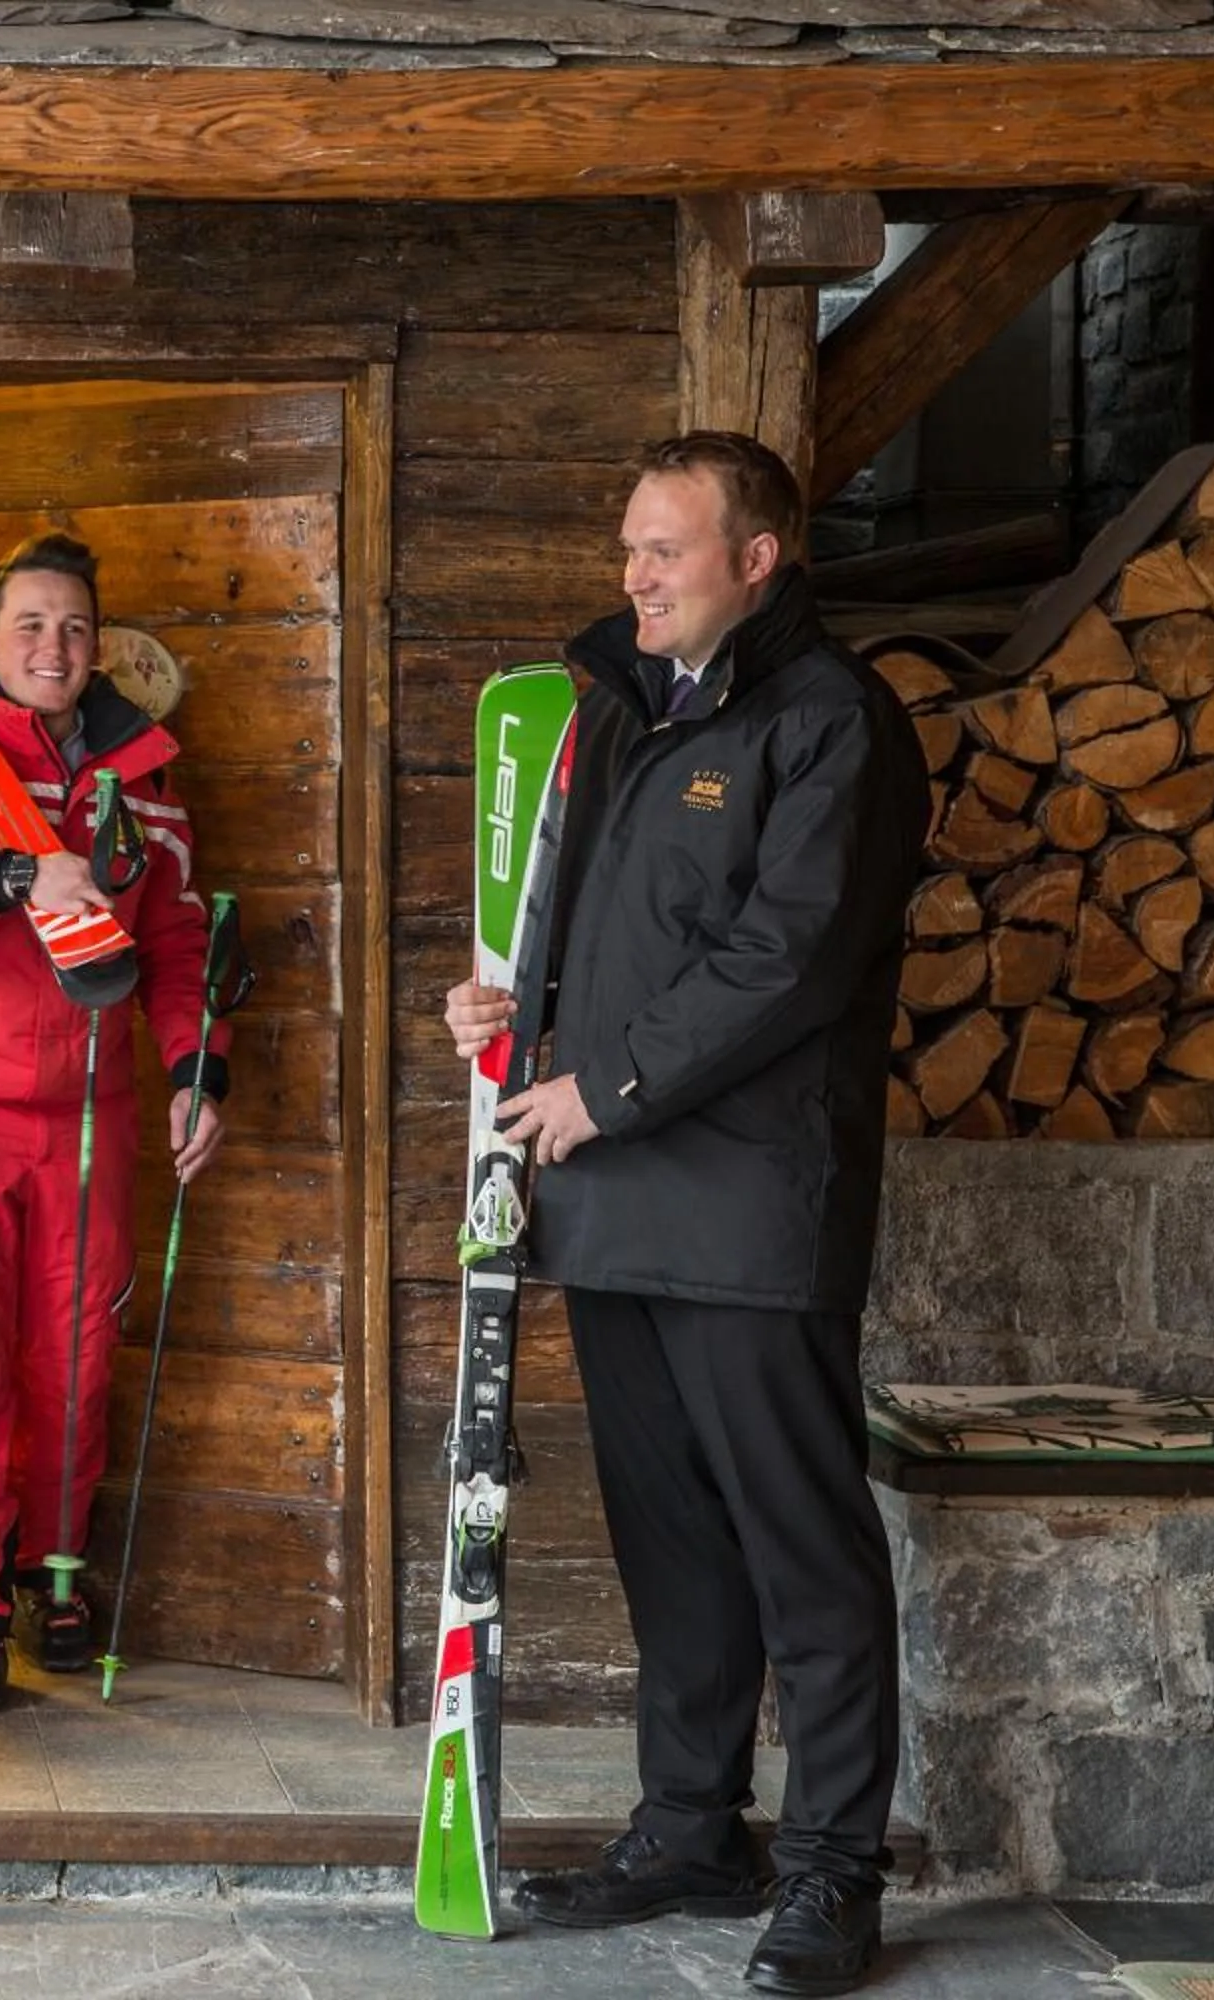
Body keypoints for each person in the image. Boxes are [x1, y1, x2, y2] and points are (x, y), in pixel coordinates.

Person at [443, 433, 928, 1997]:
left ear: (758, 557)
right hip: (614, 1201)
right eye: (629, 546)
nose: (633, 574)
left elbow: (787, 962)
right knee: (674, 1546)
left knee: (804, 1551)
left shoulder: (831, 724)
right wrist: (513, 1012)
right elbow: (617, 940)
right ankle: (692, 1830)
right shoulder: (626, 716)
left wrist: (608, 1088)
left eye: (666, 548)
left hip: (748, 1206)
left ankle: (836, 1870)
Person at [0, 532, 231, 1714]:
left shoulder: (145, 781)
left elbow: (175, 946)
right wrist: (15, 876)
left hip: (89, 1111)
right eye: (29, 626)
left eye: (74, 627)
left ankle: (52, 1569)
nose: (53, 647)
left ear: (99, 643)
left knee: (74, 1357)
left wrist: (195, 1071)